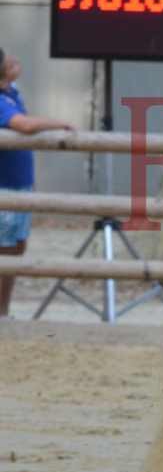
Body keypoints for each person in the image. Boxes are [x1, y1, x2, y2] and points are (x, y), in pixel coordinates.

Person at [0, 48, 77, 317]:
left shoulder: (12, 92)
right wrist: (59, 123)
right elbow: (23, 125)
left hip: (19, 187)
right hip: (5, 190)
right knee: (6, 251)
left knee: (16, 249)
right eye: (9, 60)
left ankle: (3, 311)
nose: (15, 60)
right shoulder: (0, 101)